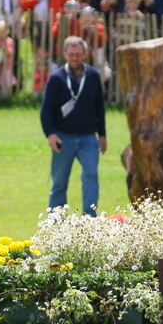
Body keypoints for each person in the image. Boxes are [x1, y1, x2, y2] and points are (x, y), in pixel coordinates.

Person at [41, 36, 107, 215]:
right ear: (64, 54)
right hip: (63, 138)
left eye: (78, 54)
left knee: (91, 176)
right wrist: (50, 135)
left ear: (85, 55)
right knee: (59, 182)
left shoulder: (93, 76)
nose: (74, 58)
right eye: (71, 54)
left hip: (88, 138)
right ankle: (55, 221)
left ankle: (89, 219)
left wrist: (102, 135)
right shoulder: (56, 78)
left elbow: (99, 107)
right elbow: (46, 110)